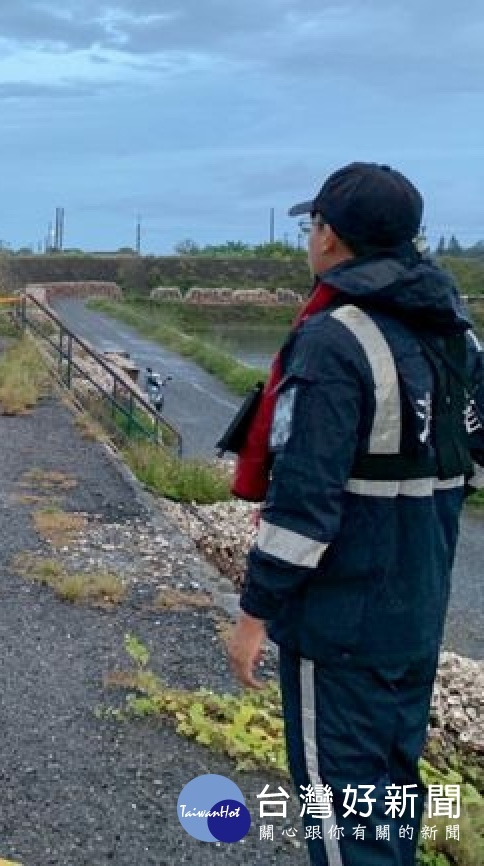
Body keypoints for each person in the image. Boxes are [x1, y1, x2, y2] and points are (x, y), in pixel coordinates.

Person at [226, 162, 484, 866]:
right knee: (390, 798)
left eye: (313, 225)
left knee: (344, 822)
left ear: (330, 238)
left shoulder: (335, 339)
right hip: (417, 617)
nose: (311, 238)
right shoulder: (452, 335)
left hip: (340, 629)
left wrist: (253, 618)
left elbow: (303, 507)